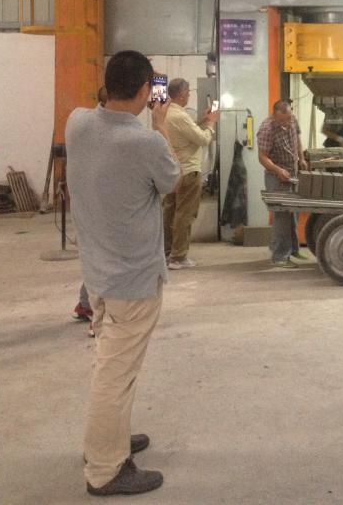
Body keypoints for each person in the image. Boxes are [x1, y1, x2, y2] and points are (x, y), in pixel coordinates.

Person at [66, 50, 180, 496]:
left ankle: (108, 439)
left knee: (113, 365)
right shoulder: (146, 143)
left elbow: (102, 110)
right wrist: (161, 123)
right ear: (145, 91)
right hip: (132, 282)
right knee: (114, 375)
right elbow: (172, 181)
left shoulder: (77, 123)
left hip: (98, 274)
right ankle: (105, 469)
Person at [162, 78, 218, 270]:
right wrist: (211, 124)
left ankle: (167, 252)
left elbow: (186, 130)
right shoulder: (180, 116)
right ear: (181, 94)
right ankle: (178, 257)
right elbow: (202, 139)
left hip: (172, 171)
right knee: (184, 215)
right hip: (188, 171)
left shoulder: (167, 113)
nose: (189, 95)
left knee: (170, 213)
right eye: (188, 92)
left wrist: (202, 120)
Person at [71, 86, 109, 335]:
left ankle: (85, 305)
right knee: (105, 262)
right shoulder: (109, 132)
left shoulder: (80, 122)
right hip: (101, 208)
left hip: (87, 206)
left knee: (96, 258)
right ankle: (99, 319)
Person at [257, 100, 308, 268]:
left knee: (293, 214)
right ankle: (279, 257)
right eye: (282, 120)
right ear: (274, 115)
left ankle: (292, 250)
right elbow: (262, 157)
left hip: (292, 174)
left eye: (288, 119)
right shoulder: (267, 129)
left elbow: (297, 139)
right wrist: (278, 170)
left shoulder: (292, 119)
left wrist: (301, 158)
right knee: (281, 216)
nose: (286, 123)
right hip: (276, 177)